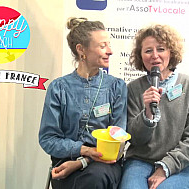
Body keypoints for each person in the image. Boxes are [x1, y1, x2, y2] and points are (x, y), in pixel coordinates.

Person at [39, 17, 127, 189]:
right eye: (103, 46)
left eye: (109, 45)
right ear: (81, 50)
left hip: (105, 164)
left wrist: (82, 162)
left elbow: (118, 140)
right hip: (64, 163)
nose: (110, 51)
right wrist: (83, 151)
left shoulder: (116, 87)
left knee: (95, 178)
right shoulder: (58, 88)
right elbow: (48, 139)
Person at [119, 24, 189, 189]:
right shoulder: (133, 89)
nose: (155, 56)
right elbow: (134, 139)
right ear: (140, 56)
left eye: (161, 49)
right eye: (148, 51)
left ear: (171, 53)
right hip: (140, 160)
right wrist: (147, 114)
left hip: (181, 163)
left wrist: (165, 167)